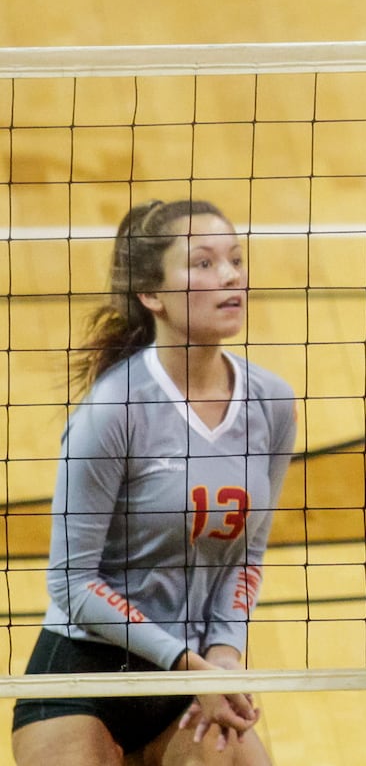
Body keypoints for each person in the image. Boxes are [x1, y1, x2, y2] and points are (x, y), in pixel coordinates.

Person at [12, 199, 296, 766]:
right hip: (84, 675)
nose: (231, 275)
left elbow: (248, 553)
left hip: (188, 677)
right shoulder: (113, 411)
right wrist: (191, 667)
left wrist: (226, 654)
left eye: (235, 259)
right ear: (152, 294)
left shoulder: (272, 401)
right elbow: (72, 584)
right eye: (204, 264)